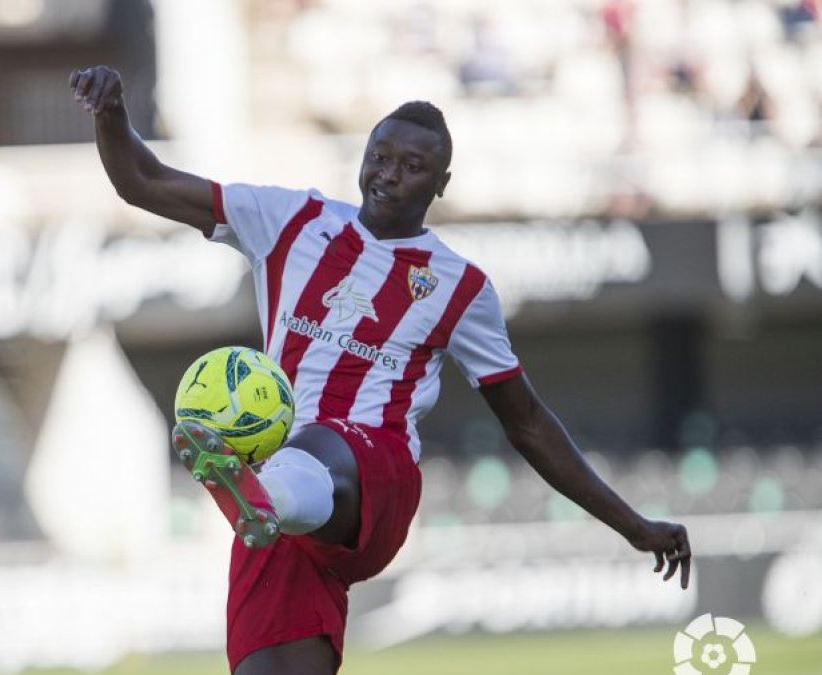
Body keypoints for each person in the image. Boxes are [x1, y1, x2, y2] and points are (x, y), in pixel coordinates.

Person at [71, 66, 692, 675]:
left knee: (316, 444)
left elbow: (526, 421)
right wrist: (113, 114)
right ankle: (264, 496)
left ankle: (258, 489)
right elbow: (142, 181)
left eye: (411, 167)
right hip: (277, 511)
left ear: (441, 184)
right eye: (379, 156)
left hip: (375, 475)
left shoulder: (459, 285)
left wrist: (632, 525)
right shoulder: (290, 220)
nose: (387, 175)